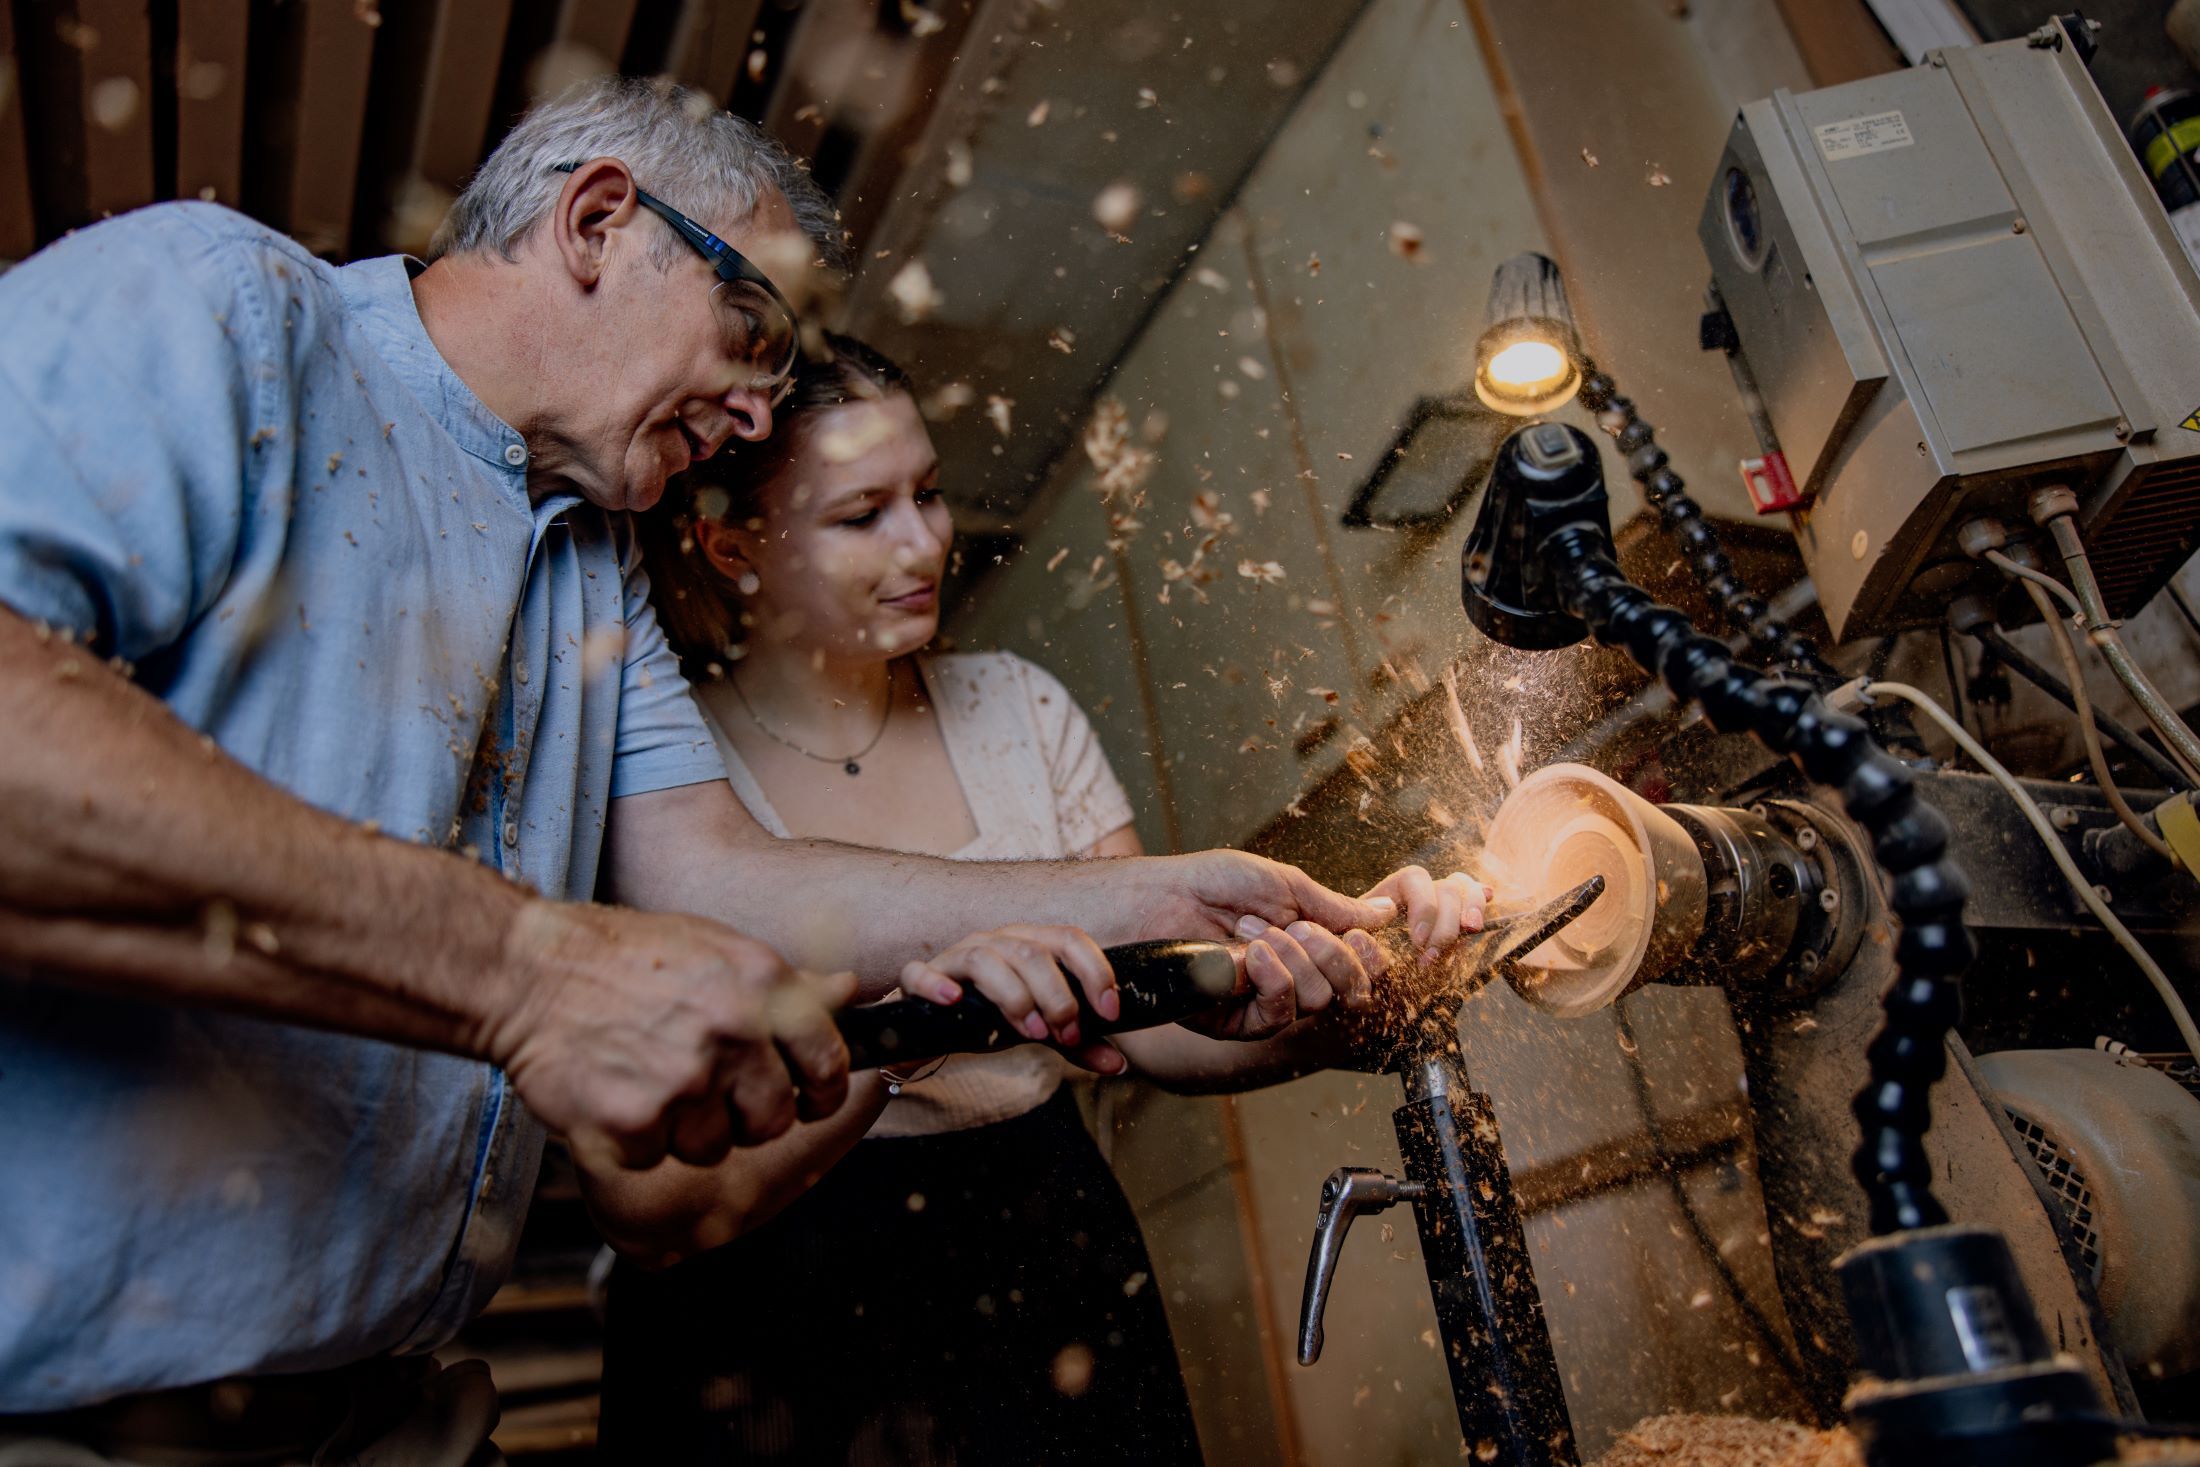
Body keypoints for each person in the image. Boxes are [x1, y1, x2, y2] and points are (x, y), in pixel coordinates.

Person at [0, 75, 1472, 1463]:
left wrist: (1165, 892)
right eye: (754, 328)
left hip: (389, 1413)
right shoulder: (224, 308)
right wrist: (526, 969)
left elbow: (719, 877)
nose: (763, 411)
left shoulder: (589, 561)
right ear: (597, 223)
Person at [590, 335, 1491, 1464]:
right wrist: (922, 1026)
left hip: (1037, 1229)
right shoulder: (661, 779)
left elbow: (1158, 1027)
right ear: (735, 547)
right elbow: (650, 1191)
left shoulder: (1018, 709)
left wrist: (1314, 1000)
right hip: (773, 1271)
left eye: (925, 492)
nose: (926, 540)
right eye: (861, 515)